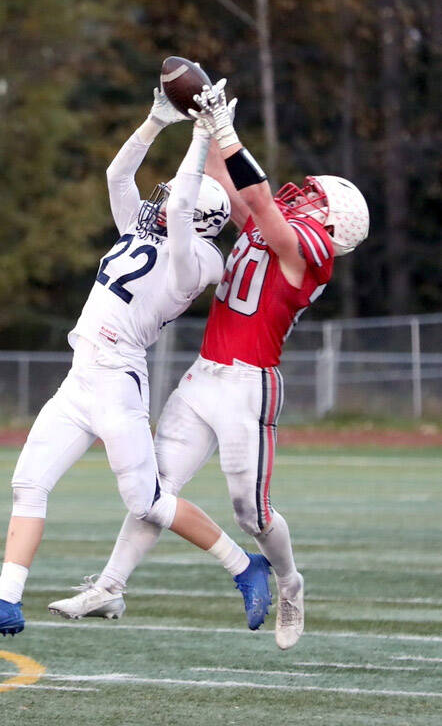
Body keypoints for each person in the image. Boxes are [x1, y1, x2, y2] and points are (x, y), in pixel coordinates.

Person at [49, 80, 369, 651]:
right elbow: (228, 185)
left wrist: (224, 132)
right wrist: (209, 120)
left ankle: (290, 582)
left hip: (250, 385)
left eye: (315, 198)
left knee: (253, 513)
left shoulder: (312, 255)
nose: (305, 196)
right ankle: (110, 586)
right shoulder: (264, 228)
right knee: (158, 486)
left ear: (332, 223)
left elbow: (266, 207)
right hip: (202, 376)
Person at [0, 86, 274, 638]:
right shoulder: (149, 230)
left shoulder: (193, 262)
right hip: (81, 378)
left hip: (119, 382)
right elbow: (117, 178)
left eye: (177, 199)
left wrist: (199, 139)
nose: (160, 200)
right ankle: (6, 601)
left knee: (146, 501)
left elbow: (176, 206)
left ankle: (246, 565)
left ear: (196, 218)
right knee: (29, 481)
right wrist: (154, 122)